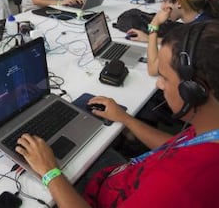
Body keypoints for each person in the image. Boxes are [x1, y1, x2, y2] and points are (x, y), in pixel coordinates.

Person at [16, 20, 219, 207]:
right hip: (123, 176)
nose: (159, 83)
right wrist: (125, 119)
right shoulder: (209, 129)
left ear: (195, 90)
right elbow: (177, 145)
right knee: (90, 149)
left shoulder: (179, 185)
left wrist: (49, 172)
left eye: (164, 78)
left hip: (102, 196)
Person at [127, 0, 219, 76]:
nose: (162, 6)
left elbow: (153, 69)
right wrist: (149, 39)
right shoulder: (208, 17)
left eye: (165, 0)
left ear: (179, 3)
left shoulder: (190, 35)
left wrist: (154, 25)